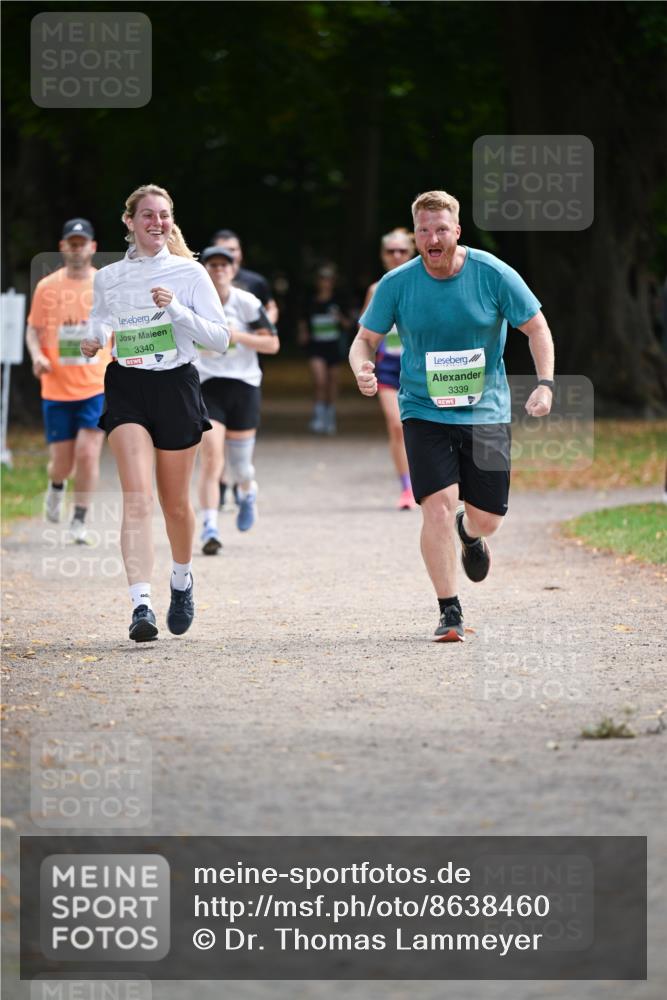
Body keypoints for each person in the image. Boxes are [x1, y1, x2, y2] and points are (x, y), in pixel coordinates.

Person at [350, 190, 555, 642]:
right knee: (437, 508)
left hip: (486, 410)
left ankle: (471, 532)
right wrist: (362, 367)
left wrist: (545, 384)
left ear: (457, 231)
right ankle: (449, 609)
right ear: (416, 236)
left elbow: (536, 327)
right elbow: (364, 339)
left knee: (487, 519)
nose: (432, 237)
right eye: (424, 230)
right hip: (424, 410)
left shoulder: (493, 274)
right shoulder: (398, 284)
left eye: (441, 229)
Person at [80, 184, 230, 643]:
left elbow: (220, 339)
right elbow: (101, 319)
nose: (157, 223)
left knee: (176, 505)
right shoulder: (107, 276)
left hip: (176, 386)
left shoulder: (190, 273)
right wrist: (93, 339)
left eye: (164, 215)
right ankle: (140, 604)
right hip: (127, 385)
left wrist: (178, 311)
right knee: (137, 497)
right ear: (129, 222)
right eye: (147, 215)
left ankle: (181, 579)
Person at [26, 218, 110, 543]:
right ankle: (57, 484)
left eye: (82, 243)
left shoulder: (104, 285)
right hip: (57, 387)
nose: (77, 249)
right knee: (61, 463)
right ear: (63, 247)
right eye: (71, 243)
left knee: (88, 453)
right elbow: (33, 330)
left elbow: (116, 328)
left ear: (92, 247)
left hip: (95, 385)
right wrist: (37, 356)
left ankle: (79, 520)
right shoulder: (47, 287)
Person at [194, 246, 279, 554]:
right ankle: (209, 528)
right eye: (212, 265)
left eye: (224, 265)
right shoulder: (194, 303)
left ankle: (247, 491)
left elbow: (272, 343)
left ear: (233, 269)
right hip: (207, 386)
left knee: (240, 467)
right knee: (211, 459)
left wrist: (236, 336)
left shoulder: (246, 303)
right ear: (204, 269)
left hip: (243, 385)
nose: (218, 270)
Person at [361, 227, 417, 509]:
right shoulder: (376, 289)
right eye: (390, 251)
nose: (397, 256)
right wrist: (364, 365)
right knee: (397, 426)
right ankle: (407, 487)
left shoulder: (425, 283)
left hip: (422, 367)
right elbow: (366, 336)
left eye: (402, 251)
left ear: (413, 251)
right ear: (383, 256)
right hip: (389, 367)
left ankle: (432, 481)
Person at [298, 264, 354, 435]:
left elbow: (349, 324)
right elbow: (303, 320)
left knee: (332, 382)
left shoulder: (339, 300)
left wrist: (339, 318)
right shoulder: (310, 300)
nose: (325, 282)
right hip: (316, 346)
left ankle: (330, 417)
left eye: (329, 279)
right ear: (318, 281)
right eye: (322, 278)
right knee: (320, 381)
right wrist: (303, 333)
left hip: (334, 346)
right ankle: (318, 416)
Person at [211, 229, 278, 325]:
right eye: (222, 250)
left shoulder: (256, 282)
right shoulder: (203, 281)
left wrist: (262, 330)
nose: (228, 254)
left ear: (241, 252)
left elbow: (271, 308)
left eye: (232, 250)